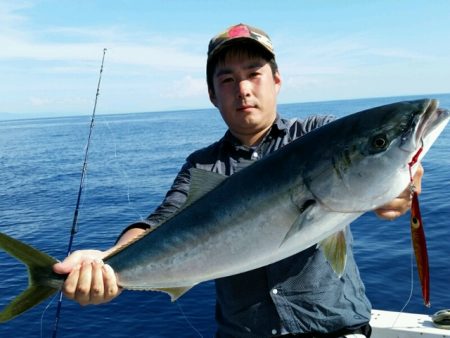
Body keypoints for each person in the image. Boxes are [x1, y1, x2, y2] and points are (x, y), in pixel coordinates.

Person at [53, 24, 424, 337]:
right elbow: (161, 221)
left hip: (335, 327)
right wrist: (107, 262)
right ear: (213, 95)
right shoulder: (203, 165)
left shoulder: (318, 136)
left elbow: (377, 186)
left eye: (253, 73)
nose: (243, 88)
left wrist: (398, 186)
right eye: (228, 80)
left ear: (276, 81)